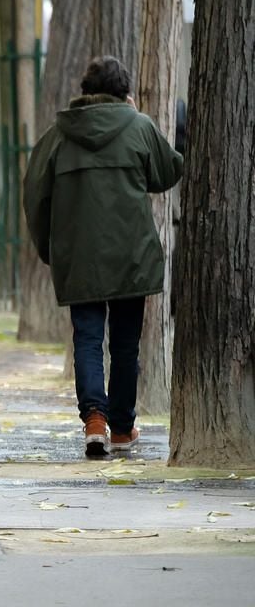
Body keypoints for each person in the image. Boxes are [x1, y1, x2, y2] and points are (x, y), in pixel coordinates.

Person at [23, 55, 183, 457]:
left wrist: (50, 249)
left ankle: (95, 418)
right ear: (124, 93)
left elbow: (35, 195)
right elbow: (167, 173)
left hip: (78, 254)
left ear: (84, 92)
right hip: (131, 254)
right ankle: (124, 427)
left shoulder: (58, 135)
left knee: (88, 338)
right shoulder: (139, 126)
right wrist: (138, 119)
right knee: (126, 344)